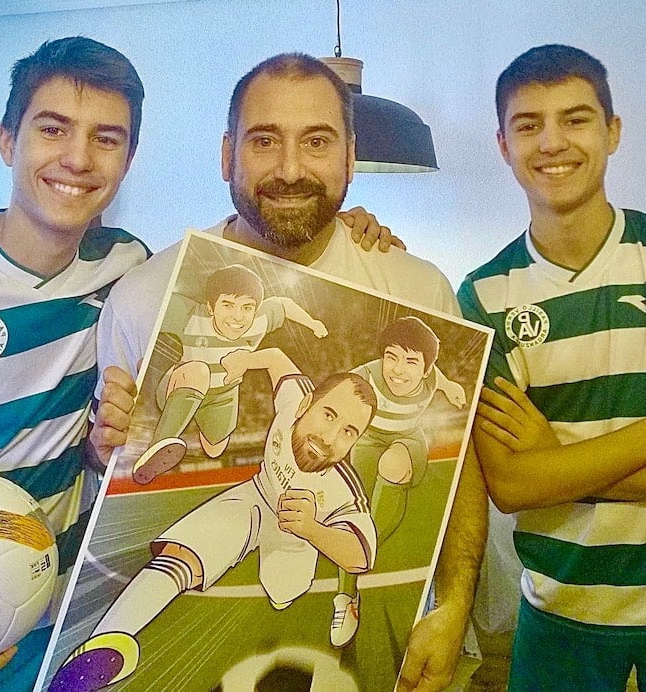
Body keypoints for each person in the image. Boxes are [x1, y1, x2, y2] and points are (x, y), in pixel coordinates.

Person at [92, 52, 488, 691]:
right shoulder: (143, 297)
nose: (291, 169)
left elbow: (463, 467)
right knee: (194, 549)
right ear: (228, 155)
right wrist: (104, 445)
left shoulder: (418, 290)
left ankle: (323, 598)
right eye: (264, 141)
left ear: (351, 157)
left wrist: (453, 606)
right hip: (252, 495)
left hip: (310, 526)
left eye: (318, 142)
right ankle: (112, 641)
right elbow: (101, 468)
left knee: (285, 585)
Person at [0, 37, 151, 691]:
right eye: (53, 128)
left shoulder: (130, 269)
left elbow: (235, 263)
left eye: (106, 138)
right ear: (8, 140)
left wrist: (349, 230)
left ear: (128, 160)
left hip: (70, 631)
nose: (78, 158)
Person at [457, 44, 645, 690]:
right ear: (504, 146)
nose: (552, 142)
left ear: (612, 132)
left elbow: (536, 476)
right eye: (528, 124)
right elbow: (512, 485)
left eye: (575, 118)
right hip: (558, 615)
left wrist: (556, 461)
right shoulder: (484, 296)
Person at [51, 347, 378, 690]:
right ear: (306, 403)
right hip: (257, 495)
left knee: (283, 594)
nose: (330, 438)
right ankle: (105, 643)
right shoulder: (293, 397)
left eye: (348, 432)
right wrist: (243, 361)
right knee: (186, 551)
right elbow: (277, 358)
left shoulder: (343, 486)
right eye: (329, 415)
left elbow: (361, 555)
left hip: (297, 536)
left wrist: (312, 529)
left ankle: (340, 602)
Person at [331, 316, 466, 648]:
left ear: (425, 368)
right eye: (391, 357)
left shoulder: (432, 377)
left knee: (391, 464)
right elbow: (335, 394)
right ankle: (346, 598)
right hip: (367, 441)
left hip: (408, 440)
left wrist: (451, 387)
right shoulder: (365, 377)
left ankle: (366, 548)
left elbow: (439, 376)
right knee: (354, 512)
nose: (398, 369)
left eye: (410, 361)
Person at [131, 263, 327, 483]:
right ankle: (156, 447)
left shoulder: (260, 321)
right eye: (228, 305)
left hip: (223, 394)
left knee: (215, 450)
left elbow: (284, 304)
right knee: (199, 370)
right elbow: (149, 302)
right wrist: (141, 352)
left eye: (247, 307)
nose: (237, 316)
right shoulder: (190, 316)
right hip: (182, 382)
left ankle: (199, 419)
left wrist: (313, 323)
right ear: (211, 307)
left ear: (256, 309)